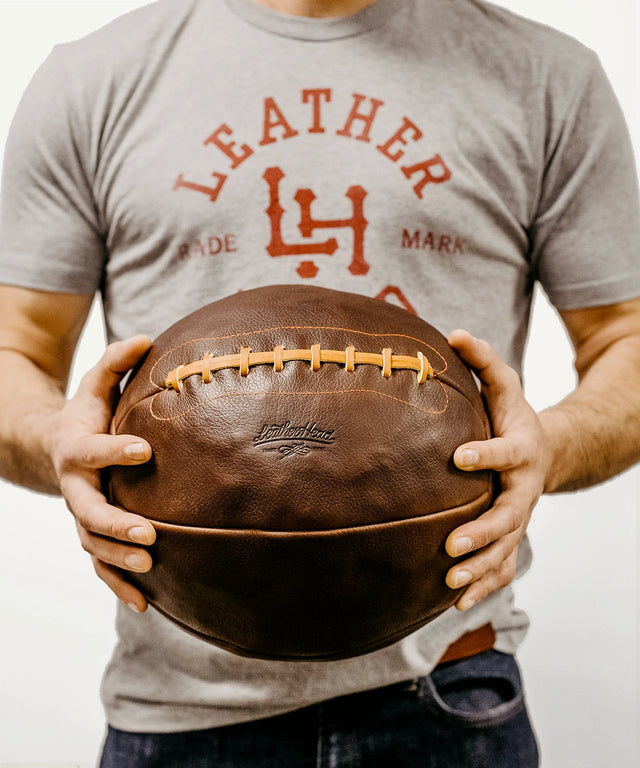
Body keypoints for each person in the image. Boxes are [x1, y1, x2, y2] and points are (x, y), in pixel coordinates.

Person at [0, 0, 639, 765]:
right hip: (175, 709)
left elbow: (623, 337)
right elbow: (16, 349)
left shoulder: (546, 76)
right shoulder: (94, 77)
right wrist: (58, 444)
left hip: (449, 689)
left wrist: (551, 449)